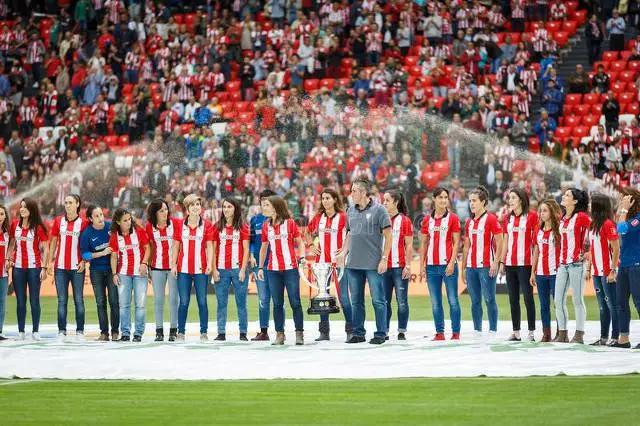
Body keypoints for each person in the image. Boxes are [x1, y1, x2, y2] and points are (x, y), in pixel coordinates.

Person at [338, 177, 392, 345]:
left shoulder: (379, 210)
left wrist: (384, 258)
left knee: (378, 300)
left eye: (354, 191)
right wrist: (343, 253)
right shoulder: (350, 210)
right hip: (353, 264)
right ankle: (358, 333)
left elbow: (388, 236)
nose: (351, 194)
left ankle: (381, 333)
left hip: (373, 264)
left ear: (362, 192)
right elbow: (349, 233)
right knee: (356, 301)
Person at [257, 196, 306, 345]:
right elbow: (264, 248)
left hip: (291, 268)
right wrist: (260, 267)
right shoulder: (266, 226)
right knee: (277, 303)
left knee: (295, 302)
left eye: (267, 205)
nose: (263, 207)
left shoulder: (290, 223)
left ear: (275, 207)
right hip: (273, 270)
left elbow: (300, 242)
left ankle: (299, 333)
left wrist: (302, 257)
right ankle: (280, 334)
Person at [306, 188, 353, 341]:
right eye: (323, 198)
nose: (325, 201)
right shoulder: (318, 217)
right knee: (323, 297)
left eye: (328, 198)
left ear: (335, 200)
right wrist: (310, 245)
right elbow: (307, 232)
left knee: (344, 298)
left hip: (339, 263)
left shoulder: (343, 217)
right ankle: (324, 332)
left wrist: (345, 249)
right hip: (322, 265)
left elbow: (352, 234)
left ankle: (350, 331)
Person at [171, 194, 215, 343]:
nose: (196, 207)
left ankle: (204, 332)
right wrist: (173, 265)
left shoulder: (207, 225)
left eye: (198, 204)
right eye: (193, 205)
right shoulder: (180, 225)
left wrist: (209, 264)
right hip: (183, 270)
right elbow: (176, 246)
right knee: (183, 302)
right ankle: (181, 332)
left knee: (202, 301)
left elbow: (209, 246)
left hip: (201, 271)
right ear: (187, 209)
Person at [461, 186, 504, 336]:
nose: (471, 204)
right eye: (470, 201)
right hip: (471, 267)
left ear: (483, 202)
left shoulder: (491, 219)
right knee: (474, 301)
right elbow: (466, 246)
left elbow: (500, 241)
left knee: (489, 299)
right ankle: (477, 330)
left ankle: (493, 330)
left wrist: (496, 262)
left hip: (486, 266)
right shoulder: (469, 222)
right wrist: (464, 268)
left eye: (474, 201)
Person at [420, 187, 461, 341]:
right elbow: (424, 243)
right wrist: (422, 265)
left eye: (446, 197)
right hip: (431, 267)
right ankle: (440, 333)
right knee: (435, 302)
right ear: (434, 199)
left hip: (448, 266)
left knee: (453, 300)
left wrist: (451, 262)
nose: (444, 200)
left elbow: (456, 243)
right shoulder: (426, 220)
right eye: (440, 197)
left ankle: (455, 333)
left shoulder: (453, 218)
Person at [7, 198, 49, 340]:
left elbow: (46, 248)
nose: (22, 209)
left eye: (25, 207)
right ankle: (21, 332)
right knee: (20, 301)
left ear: (32, 209)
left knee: (34, 300)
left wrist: (44, 267)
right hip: (18, 269)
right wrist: (8, 258)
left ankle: (35, 331)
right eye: (21, 206)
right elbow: (11, 244)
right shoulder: (14, 225)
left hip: (34, 268)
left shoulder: (38, 227)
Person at [48, 194, 89, 341]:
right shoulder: (58, 221)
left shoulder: (84, 223)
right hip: (60, 268)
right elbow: (53, 242)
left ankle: (80, 331)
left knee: (78, 299)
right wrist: (49, 262)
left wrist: (84, 261)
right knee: (62, 300)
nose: (67, 205)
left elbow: (87, 245)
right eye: (66, 202)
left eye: (70, 202)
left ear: (77, 204)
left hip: (77, 267)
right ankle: (61, 331)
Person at [501, 188, 538, 342]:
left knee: (528, 298)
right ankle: (516, 332)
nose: (510, 201)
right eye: (509, 198)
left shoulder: (532, 216)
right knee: (513, 299)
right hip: (510, 264)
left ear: (521, 200)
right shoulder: (507, 218)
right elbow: (505, 241)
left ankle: (531, 332)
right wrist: (502, 261)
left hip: (525, 264)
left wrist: (534, 268)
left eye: (513, 198)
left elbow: (535, 243)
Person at [555, 188, 591, 344]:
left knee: (577, 300)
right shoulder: (563, 218)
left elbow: (593, 233)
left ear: (575, 201)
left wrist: (587, 253)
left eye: (567, 195)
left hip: (577, 264)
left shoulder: (582, 217)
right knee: (558, 300)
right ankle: (562, 334)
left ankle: (579, 334)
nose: (563, 196)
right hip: (562, 264)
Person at [110, 208, 150, 342]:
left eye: (129, 219)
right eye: (125, 220)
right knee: (124, 305)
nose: (128, 222)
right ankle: (125, 334)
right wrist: (114, 274)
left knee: (140, 304)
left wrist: (144, 263)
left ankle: (138, 333)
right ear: (118, 222)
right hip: (123, 274)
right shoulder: (115, 236)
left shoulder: (138, 230)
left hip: (140, 274)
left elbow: (147, 248)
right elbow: (114, 256)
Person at [212, 197, 250, 341]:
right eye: (224, 207)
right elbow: (213, 250)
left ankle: (243, 333)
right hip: (221, 270)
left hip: (238, 269)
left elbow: (246, 250)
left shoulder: (243, 227)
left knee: (241, 303)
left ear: (235, 208)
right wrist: (214, 270)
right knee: (221, 303)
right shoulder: (217, 226)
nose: (226, 209)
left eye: (229, 207)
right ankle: (221, 332)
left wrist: (243, 269)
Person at [585, 193, 620, 346]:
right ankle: (603, 337)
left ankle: (616, 337)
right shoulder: (593, 225)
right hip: (596, 272)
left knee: (612, 305)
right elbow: (592, 249)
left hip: (607, 272)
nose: (589, 206)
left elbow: (616, 248)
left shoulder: (608, 224)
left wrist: (613, 270)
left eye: (592, 203)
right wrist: (589, 268)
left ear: (598, 206)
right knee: (602, 306)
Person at [80, 205, 119, 341]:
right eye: (96, 216)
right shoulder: (87, 234)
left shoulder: (110, 228)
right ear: (90, 219)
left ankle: (115, 332)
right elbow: (85, 255)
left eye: (101, 214)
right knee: (100, 302)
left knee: (114, 301)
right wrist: (102, 253)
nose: (100, 218)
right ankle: (104, 333)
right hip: (96, 271)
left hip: (112, 270)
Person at [145, 199, 180, 342]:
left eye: (166, 209)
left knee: (173, 300)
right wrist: (148, 267)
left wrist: (176, 264)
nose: (165, 212)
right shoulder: (149, 227)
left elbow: (179, 245)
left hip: (173, 268)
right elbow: (149, 247)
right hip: (156, 268)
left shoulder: (175, 224)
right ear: (155, 213)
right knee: (158, 300)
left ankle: (173, 330)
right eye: (161, 210)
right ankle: (159, 331)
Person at [381, 190, 413, 340]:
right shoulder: (380, 220)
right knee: (384, 301)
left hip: (399, 267)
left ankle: (401, 331)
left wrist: (408, 265)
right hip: (384, 267)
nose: (384, 203)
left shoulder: (404, 221)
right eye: (384, 200)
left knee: (402, 301)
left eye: (387, 200)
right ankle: (385, 330)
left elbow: (409, 245)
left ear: (396, 202)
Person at [530, 199, 561, 342]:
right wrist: (533, 272)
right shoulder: (538, 229)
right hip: (541, 273)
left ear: (552, 212)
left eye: (545, 211)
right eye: (540, 211)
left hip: (556, 273)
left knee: (558, 304)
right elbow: (536, 251)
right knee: (543, 306)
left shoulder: (559, 229)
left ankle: (561, 333)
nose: (541, 213)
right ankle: (546, 333)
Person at [612, 188, 640, 349]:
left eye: (622, 198)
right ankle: (623, 339)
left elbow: (621, 229)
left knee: (638, 301)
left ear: (631, 200)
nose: (620, 201)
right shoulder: (628, 217)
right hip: (624, 264)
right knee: (620, 302)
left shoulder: (638, 218)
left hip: (636, 264)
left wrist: (623, 209)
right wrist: (622, 211)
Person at [248, 189, 277, 341]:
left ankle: (280, 331)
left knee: (278, 300)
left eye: (268, 200)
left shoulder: (279, 219)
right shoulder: (255, 220)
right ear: (259, 202)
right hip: (260, 266)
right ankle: (264, 331)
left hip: (277, 265)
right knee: (263, 300)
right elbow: (251, 241)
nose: (265, 203)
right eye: (263, 200)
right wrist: (252, 254)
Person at [0, 205, 9, 340]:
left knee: (2, 302)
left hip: (3, 274)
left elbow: (11, 251)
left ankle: (0, 331)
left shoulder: (8, 234)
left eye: (2, 214)